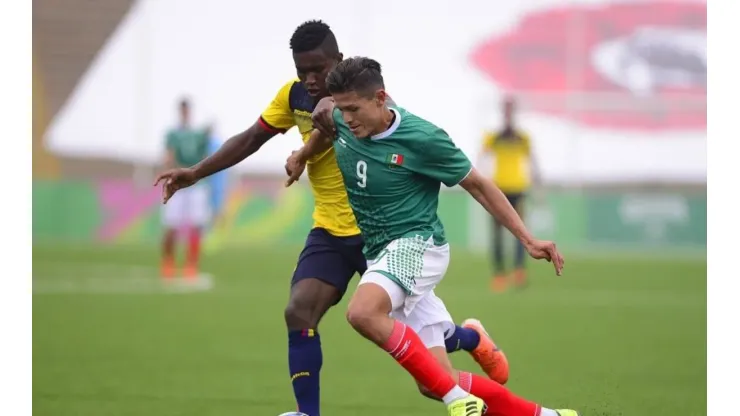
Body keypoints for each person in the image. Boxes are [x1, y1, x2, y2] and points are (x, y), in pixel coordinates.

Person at [153, 21, 504, 416]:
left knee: (426, 369)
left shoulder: (361, 104)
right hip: (332, 232)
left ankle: (469, 338)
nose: (311, 78)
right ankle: (308, 413)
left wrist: (315, 134)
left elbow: (349, 120)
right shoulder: (293, 96)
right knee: (298, 311)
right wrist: (194, 173)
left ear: (338, 61)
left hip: (387, 238)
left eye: (319, 69)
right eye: (303, 70)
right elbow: (252, 138)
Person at [285, 57, 577, 416]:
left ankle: (458, 402)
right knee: (434, 381)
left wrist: (528, 239)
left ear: (381, 98)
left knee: (362, 313)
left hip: (419, 245)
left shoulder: (423, 138)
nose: (347, 119)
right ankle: (546, 415)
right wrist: (302, 154)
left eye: (354, 109)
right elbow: (326, 123)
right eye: (342, 109)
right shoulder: (343, 120)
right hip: (381, 253)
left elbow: (479, 185)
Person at [479, 97, 541, 292]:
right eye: (505, 110)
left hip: (518, 188)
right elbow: (481, 158)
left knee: (520, 231)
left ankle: (519, 271)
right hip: (498, 189)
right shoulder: (494, 137)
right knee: (497, 233)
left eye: (510, 110)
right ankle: (499, 274)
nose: (507, 113)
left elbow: (532, 162)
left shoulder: (523, 137)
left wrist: (538, 186)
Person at [161, 98, 211, 279]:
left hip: (196, 184)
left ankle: (191, 264)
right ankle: (168, 263)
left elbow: (206, 157)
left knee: (197, 225)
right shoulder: (172, 134)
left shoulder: (198, 134)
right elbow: (168, 156)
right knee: (171, 225)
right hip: (177, 182)